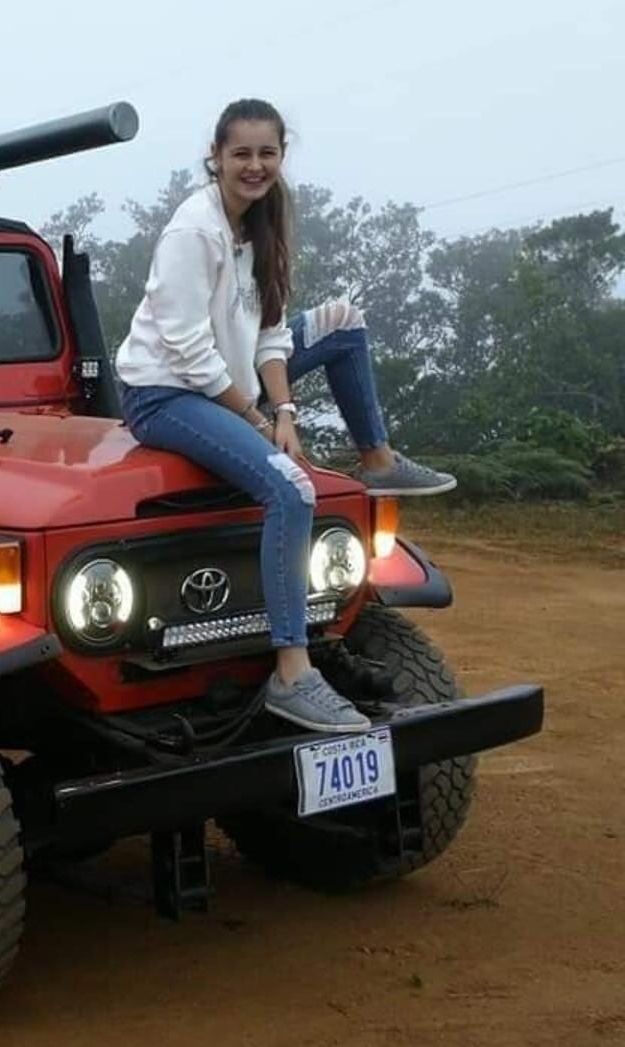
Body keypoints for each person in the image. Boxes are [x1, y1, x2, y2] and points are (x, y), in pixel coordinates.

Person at [114, 98, 456, 733]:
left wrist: (288, 412)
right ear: (214, 157)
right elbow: (188, 349)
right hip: (167, 392)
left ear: (282, 156)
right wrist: (255, 420)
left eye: (266, 153)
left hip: (231, 377)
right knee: (292, 489)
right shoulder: (195, 230)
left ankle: (377, 461)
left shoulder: (262, 225)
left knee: (344, 323)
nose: (254, 165)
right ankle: (293, 673)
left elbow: (270, 333)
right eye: (240, 153)